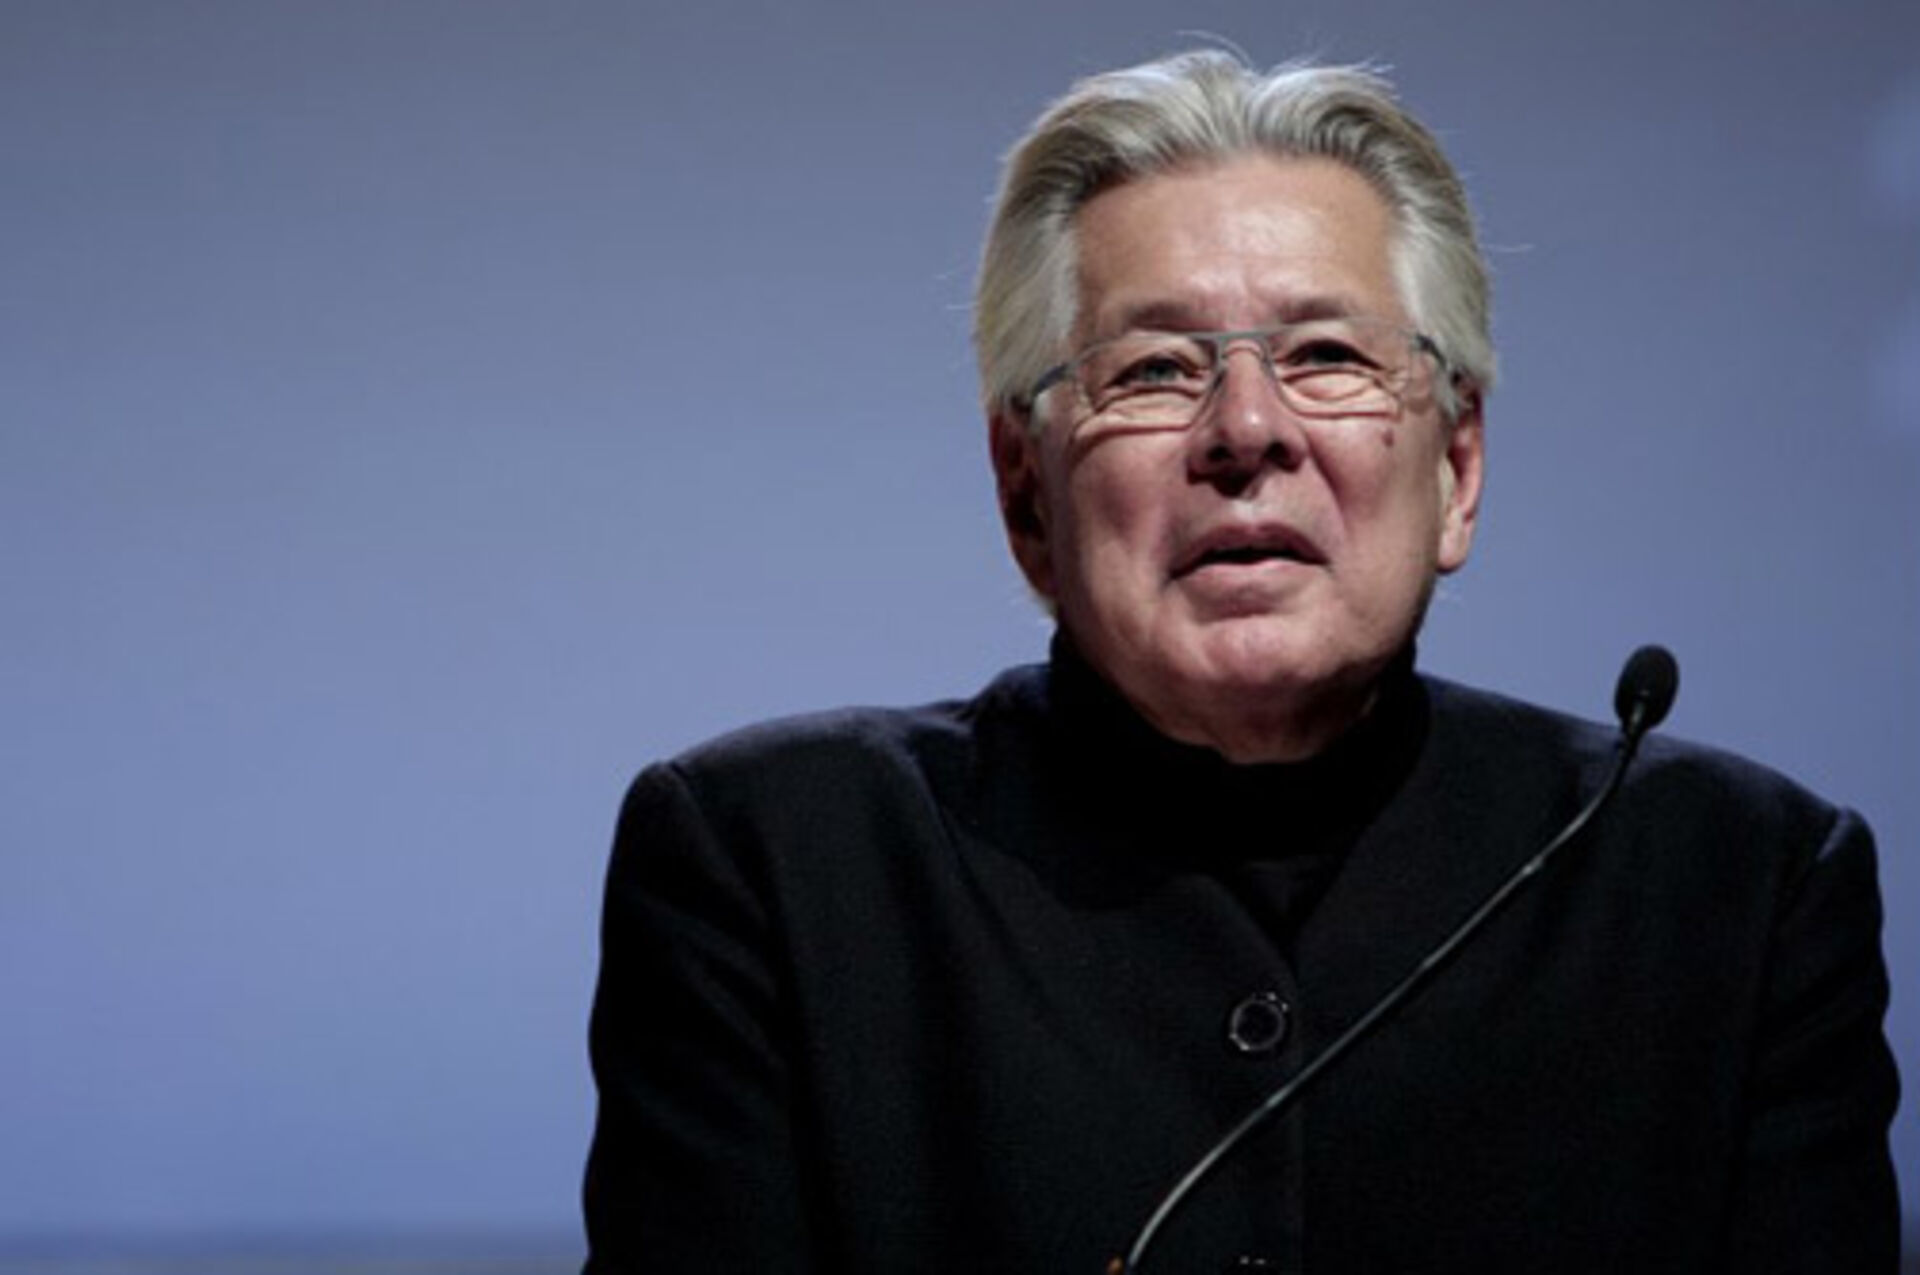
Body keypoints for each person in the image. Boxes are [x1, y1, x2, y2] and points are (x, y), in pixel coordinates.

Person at [581, 51, 1900, 1273]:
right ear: (1025, 492)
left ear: (1456, 468)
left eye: (1327, 356)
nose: (1247, 430)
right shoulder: (775, 867)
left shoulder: (1735, 889)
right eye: (1155, 370)